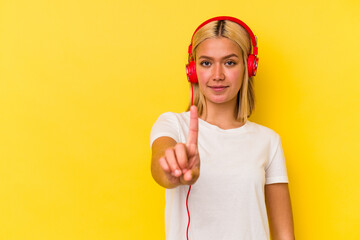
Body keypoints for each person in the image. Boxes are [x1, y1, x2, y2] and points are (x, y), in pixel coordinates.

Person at [150, 16, 294, 240]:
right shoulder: (173, 124)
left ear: (249, 67)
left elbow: (285, 235)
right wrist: (176, 170)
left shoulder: (268, 140)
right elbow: (160, 167)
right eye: (206, 63)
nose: (217, 75)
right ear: (193, 70)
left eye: (229, 62)